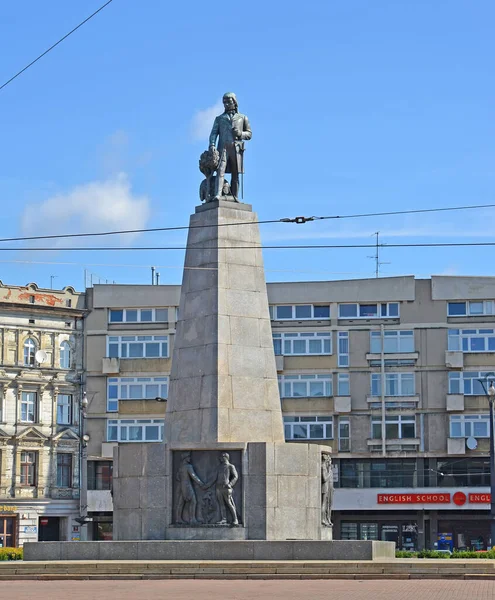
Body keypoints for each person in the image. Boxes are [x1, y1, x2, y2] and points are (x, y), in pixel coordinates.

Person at [209, 92, 252, 201]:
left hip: (236, 148)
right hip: (223, 147)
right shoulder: (219, 118)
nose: (226, 104)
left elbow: (249, 134)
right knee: (220, 170)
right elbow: (214, 133)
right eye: (224, 103)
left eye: (228, 102)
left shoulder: (242, 117)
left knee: (235, 172)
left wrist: (240, 134)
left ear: (234, 102)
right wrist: (212, 144)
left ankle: (235, 196)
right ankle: (218, 194)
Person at [205, 452, 239, 525]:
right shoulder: (219, 467)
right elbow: (214, 478)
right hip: (218, 487)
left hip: (226, 488)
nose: (219, 458)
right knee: (221, 504)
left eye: (221, 457)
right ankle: (224, 519)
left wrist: (230, 484)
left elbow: (235, 476)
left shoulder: (230, 466)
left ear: (225, 457)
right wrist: (206, 485)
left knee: (229, 503)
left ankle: (235, 519)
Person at [175, 451, 205, 525]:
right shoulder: (188, 466)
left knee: (181, 503)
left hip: (182, 486)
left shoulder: (180, 467)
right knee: (193, 502)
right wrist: (201, 483)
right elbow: (194, 476)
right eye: (188, 457)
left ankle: (178, 519)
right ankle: (192, 519)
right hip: (187, 486)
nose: (190, 458)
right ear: (185, 458)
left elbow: (177, 477)